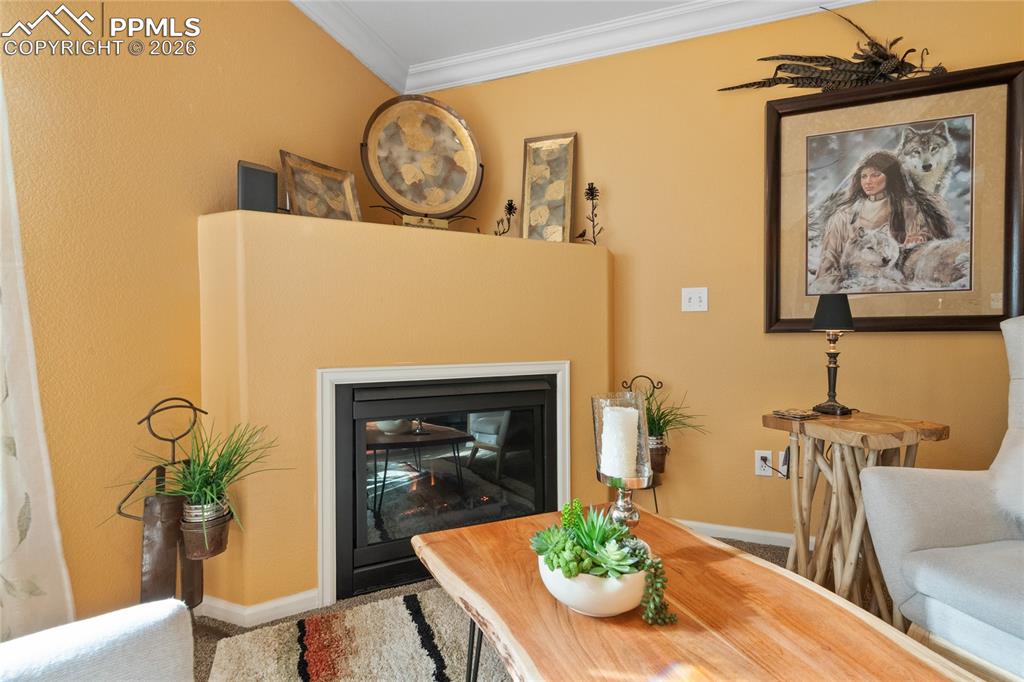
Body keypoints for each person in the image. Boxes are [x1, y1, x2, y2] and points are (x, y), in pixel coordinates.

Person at [812, 150, 954, 289]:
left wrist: (919, 239)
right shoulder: (843, 215)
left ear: (890, 177)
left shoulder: (911, 207)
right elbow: (829, 261)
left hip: (899, 281)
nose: (868, 181)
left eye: (875, 175)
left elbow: (929, 245)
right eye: (864, 176)